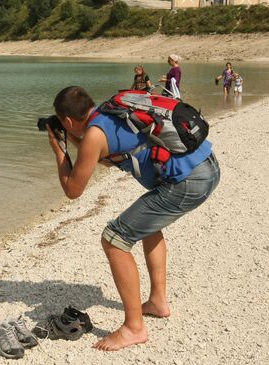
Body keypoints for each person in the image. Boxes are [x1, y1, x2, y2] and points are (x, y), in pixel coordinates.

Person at [45, 86, 219, 351]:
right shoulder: (109, 112)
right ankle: (158, 302)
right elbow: (103, 155)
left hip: (189, 181)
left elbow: (73, 190)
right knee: (148, 226)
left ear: (67, 121)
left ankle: (134, 328)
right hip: (206, 165)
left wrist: (58, 150)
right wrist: (71, 139)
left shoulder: (93, 135)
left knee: (114, 239)